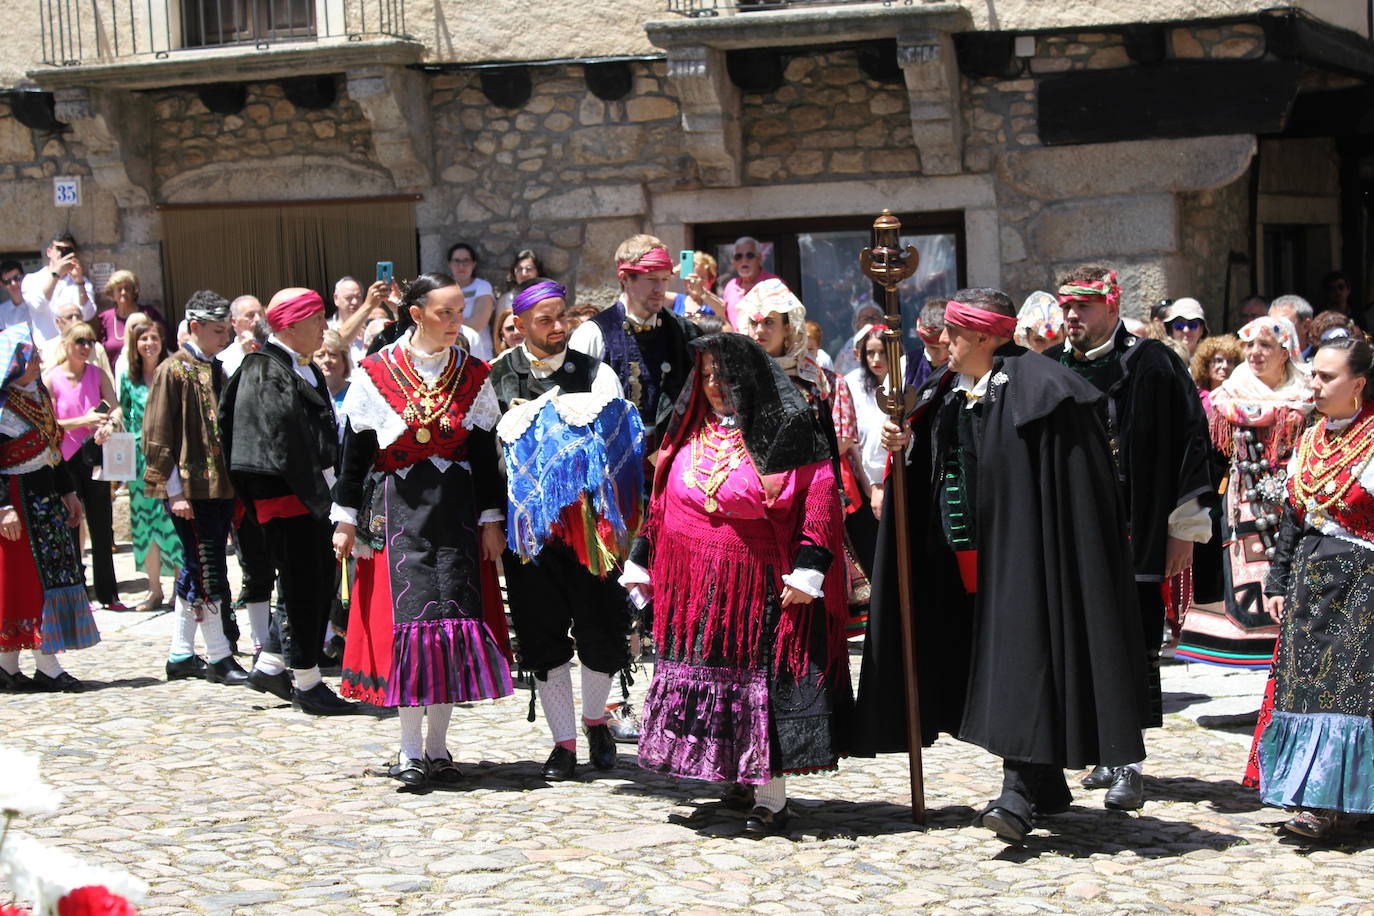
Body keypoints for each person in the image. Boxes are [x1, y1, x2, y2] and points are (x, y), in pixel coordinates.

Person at [854, 287, 1149, 845]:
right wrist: (905, 441)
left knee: (1023, 661)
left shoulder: (1047, 392)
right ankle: (1045, 782)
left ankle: (1017, 792)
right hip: (963, 561)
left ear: (988, 336)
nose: (942, 341)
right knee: (985, 666)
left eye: (954, 332)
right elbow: (934, 465)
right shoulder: (948, 390)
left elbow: (1074, 492)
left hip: (1029, 560)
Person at [622, 333, 853, 834]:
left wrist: (809, 570)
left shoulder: (787, 427)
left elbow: (819, 497)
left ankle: (771, 800)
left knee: (761, 684)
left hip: (762, 582)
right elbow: (661, 502)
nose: (714, 386)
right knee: (715, 679)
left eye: (725, 375)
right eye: (705, 375)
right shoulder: (687, 428)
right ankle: (737, 781)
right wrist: (641, 559)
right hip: (695, 582)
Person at [332, 273, 513, 785]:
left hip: (456, 515)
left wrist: (491, 520)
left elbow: (483, 457)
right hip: (398, 513)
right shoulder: (375, 373)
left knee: (450, 627)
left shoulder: (474, 374)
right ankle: (409, 750)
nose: (457, 322)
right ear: (416, 314)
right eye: (445, 313)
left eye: (460, 312)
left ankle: (438, 749)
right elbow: (355, 455)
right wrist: (345, 521)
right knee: (408, 627)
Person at [1047, 267, 1215, 810]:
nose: (1072, 316)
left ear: (1112, 306)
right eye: (1066, 306)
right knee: (1080, 642)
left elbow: (1190, 442)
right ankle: (1100, 750)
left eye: (1085, 306)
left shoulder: (1153, 364)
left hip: (1133, 532)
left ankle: (1130, 763)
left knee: (1131, 643)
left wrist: (1182, 529)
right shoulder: (1049, 369)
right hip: (1073, 535)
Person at [490, 278, 636, 780]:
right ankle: (563, 743)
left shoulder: (594, 374)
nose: (556, 329)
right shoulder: (498, 377)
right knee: (540, 633)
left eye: (562, 319)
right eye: (544, 320)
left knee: (600, 628)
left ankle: (596, 720)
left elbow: (618, 446)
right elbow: (486, 458)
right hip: (528, 532)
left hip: (587, 528)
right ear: (520, 324)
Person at [1252, 336, 1374, 838]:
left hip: (1362, 582)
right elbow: (1293, 518)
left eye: (1327, 377)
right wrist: (1278, 579)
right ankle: (1309, 795)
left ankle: (1334, 802)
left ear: (1359, 384)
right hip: (1310, 579)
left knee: (1349, 691)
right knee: (1306, 688)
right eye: (1314, 375)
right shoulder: (1309, 438)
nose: (1315, 384)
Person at [222, 287, 354, 715]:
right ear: (292, 325)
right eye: (317, 319)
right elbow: (283, 443)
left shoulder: (298, 367)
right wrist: (324, 501)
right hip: (290, 497)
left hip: (308, 494)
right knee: (305, 587)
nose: (324, 326)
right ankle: (308, 682)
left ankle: (274, 665)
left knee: (312, 582)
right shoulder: (264, 369)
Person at [1177, 316, 1315, 668]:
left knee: (1299, 590)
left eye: (1265, 345)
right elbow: (1215, 458)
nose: (1254, 352)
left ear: (1285, 351)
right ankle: (1261, 678)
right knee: (1250, 592)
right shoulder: (1229, 398)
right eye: (1249, 345)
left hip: (1297, 506)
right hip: (1245, 510)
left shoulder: (1307, 398)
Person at [141, 292, 249, 685]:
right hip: (190, 490)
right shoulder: (174, 370)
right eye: (218, 330)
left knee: (197, 566)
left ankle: (181, 654)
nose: (225, 336)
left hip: (218, 488)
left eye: (227, 329)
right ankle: (219, 655)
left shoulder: (217, 368)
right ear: (195, 327)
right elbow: (157, 433)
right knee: (207, 568)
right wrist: (174, 491)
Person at [0, 325, 93, 692]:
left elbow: (52, 446)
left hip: (45, 494)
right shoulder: (3, 403)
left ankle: (7, 666)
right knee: (25, 580)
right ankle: (45, 664)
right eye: (32, 355)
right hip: (16, 500)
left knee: (49, 577)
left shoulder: (37, 393)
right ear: (15, 361)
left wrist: (68, 491)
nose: (39, 360)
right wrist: (3, 507)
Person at [568, 235, 701, 455]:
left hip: (674, 460)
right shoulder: (592, 334)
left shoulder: (684, 332)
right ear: (624, 278)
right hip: (614, 463)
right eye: (651, 279)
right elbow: (572, 408)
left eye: (665, 279)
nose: (660, 288)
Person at [44, 321, 123, 612]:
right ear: (66, 344)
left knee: (102, 524)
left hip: (96, 453)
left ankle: (109, 594)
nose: (86, 347)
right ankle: (78, 593)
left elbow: (115, 407)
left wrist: (110, 424)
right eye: (79, 341)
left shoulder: (97, 373)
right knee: (71, 525)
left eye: (90, 341)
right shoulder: (52, 378)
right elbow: (49, 423)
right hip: (65, 460)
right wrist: (84, 421)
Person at [118, 321, 182, 612]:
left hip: (166, 459)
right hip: (138, 464)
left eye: (154, 337)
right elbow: (123, 414)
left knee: (171, 524)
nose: (149, 343)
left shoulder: (170, 372)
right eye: (143, 339)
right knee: (145, 527)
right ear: (136, 344)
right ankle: (154, 590)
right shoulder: (128, 378)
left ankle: (179, 588)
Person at [844, 324, 892, 567]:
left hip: (896, 477)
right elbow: (851, 442)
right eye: (870, 353)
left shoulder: (903, 381)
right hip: (863, 481)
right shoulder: (852, 383)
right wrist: (871, 486)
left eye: (883, 352)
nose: (876, 359)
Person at [22, 232, 95, 345]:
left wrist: (79, 282)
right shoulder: (32, 280)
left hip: (74, 348)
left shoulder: (81, 281)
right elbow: (38, 305)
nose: (63, 253)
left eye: (68, 250)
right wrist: (56, 275)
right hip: (45, 349)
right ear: (49, 252)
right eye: (59, 249)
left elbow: (88, 314)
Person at [94, 271, 168, 368]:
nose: (123, 292)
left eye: (127, 288)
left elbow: (166, 342)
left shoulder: (148, 314)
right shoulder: (105, 318)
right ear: (112, 294)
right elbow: (99, 351)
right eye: (119, 289)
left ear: (134, 292)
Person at [720, 237, 781, 332]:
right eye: (738, 256)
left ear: (759, 258)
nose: (744, 260)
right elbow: (724, 318)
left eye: (749, 255)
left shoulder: (774, 284)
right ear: (734, 261)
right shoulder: (730, 285)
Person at [446, 243, 495, 360]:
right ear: (449, 264)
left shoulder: (483, 286)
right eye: (456, 261)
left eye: (466, 261)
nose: (461, 266)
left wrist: (446, 324)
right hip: (450, 355)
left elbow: (478, 323)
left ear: (473, 264)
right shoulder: (443, 289)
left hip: (479, 353)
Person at [330, 277, 391, 366]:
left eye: (358, 297)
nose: (354, 302)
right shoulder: (325, 328)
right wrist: (368, 305)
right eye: (349, 298)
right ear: (336, 298)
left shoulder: (372, 327)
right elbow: (337, 344)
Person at [1190, 335, 1243, 418]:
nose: (1225, 366)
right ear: (1206, 364)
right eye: (1218, 361)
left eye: (1230, 361)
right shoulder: (1196, 398)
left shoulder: (1241, 397)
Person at [217, 295, 264, 378]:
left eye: (260, 314)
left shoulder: (275, 348)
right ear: (234, 322)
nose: (258, 319)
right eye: (250, 315)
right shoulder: (225, 360)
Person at [833, 304, 885, 378]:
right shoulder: (849, 346)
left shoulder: (889, 340)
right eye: (865, 318)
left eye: (874, 318)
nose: (869, 321)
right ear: (856, 323)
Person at [907, 299, 949, 390]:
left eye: (947, 347)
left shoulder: (967, 368)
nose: (942, 356)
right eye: (933, 348)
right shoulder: (907, 365)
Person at [673, 252, 721, 320]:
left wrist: (701, 292)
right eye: (693, 276)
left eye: (702, 277)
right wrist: (674, 271)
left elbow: (721, 310)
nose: (697, 281)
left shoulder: (715, 302)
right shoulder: (676, 300)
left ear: (711, 280)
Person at [495, 249, 544, 315]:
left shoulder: (546, 297)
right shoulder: (505, 300)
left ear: (537, 272)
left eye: (528, 269)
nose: (524, 273)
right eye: (519, 269)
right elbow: (499, 324)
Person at [0, 261, 27, 331]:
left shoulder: (37, 304)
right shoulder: (1, 311)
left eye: (16, 278)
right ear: (2, 285)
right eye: (8, 282)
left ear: (24, 277)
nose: (13, 283)